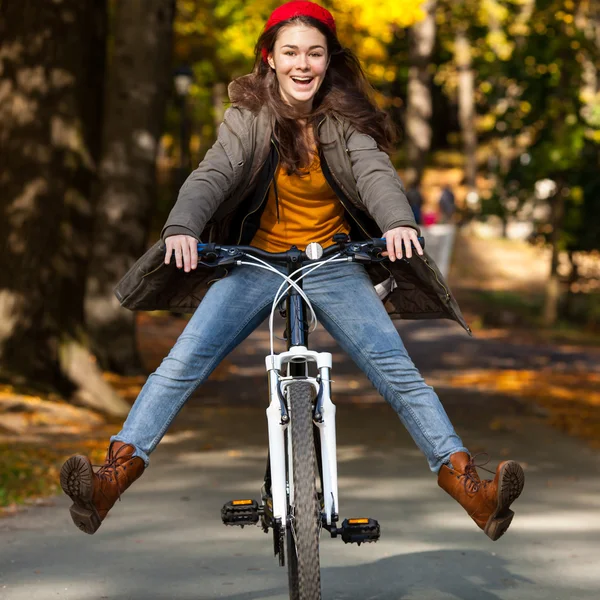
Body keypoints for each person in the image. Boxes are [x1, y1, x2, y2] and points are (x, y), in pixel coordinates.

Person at [60, 1, 524, 541]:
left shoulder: (344, 120)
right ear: (270, 59)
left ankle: (473, 491)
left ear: (329, 61)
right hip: (256, 261)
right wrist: (181, 229)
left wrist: (398, 223)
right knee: (182, 360)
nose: (303, 64)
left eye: (315, 52)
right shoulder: (247, 118)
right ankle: (110, 480)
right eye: (291, 52)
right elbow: (212, 174)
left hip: (331, 261)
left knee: (396, 369)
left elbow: (376, 174)